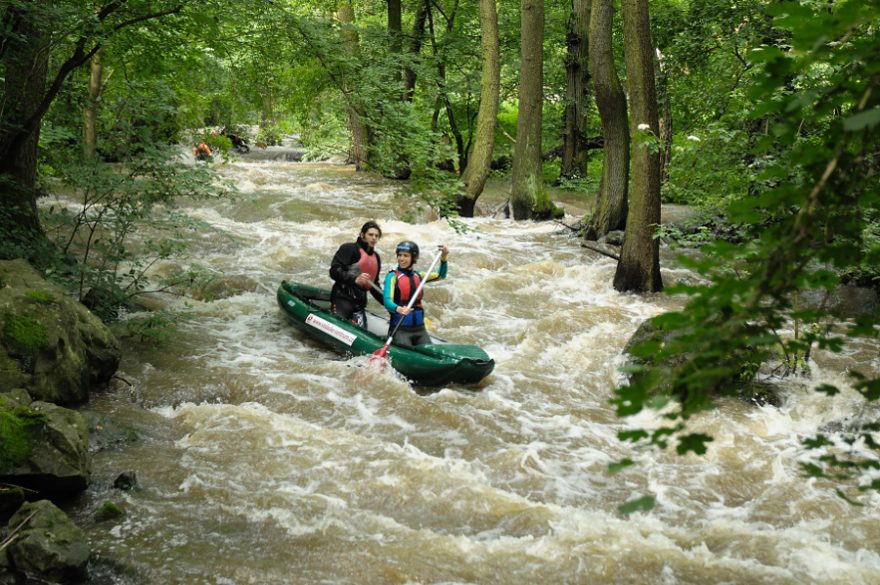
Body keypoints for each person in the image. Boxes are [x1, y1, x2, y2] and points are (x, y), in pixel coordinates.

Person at [383, 241, 449, 347]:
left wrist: (444, 257)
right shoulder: (392, 276)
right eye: (399, 255)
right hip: (400, 329)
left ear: (413, 258)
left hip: (420, 329)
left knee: (430, 352)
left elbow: (441, 275)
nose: (401, 258)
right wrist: (399, 309)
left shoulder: (419, 275)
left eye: (405, 256)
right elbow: (387, 301)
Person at [329, 221, 384, 328]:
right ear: (362, 235)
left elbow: (373, 286)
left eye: (376, 236)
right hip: (342, 299)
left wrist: (391, 305)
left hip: (359, 305)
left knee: (362, 334)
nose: (374, 238)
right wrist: (355, 279)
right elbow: (334, 271)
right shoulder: (349, 249)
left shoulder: (376, 258)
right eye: (370, 235)